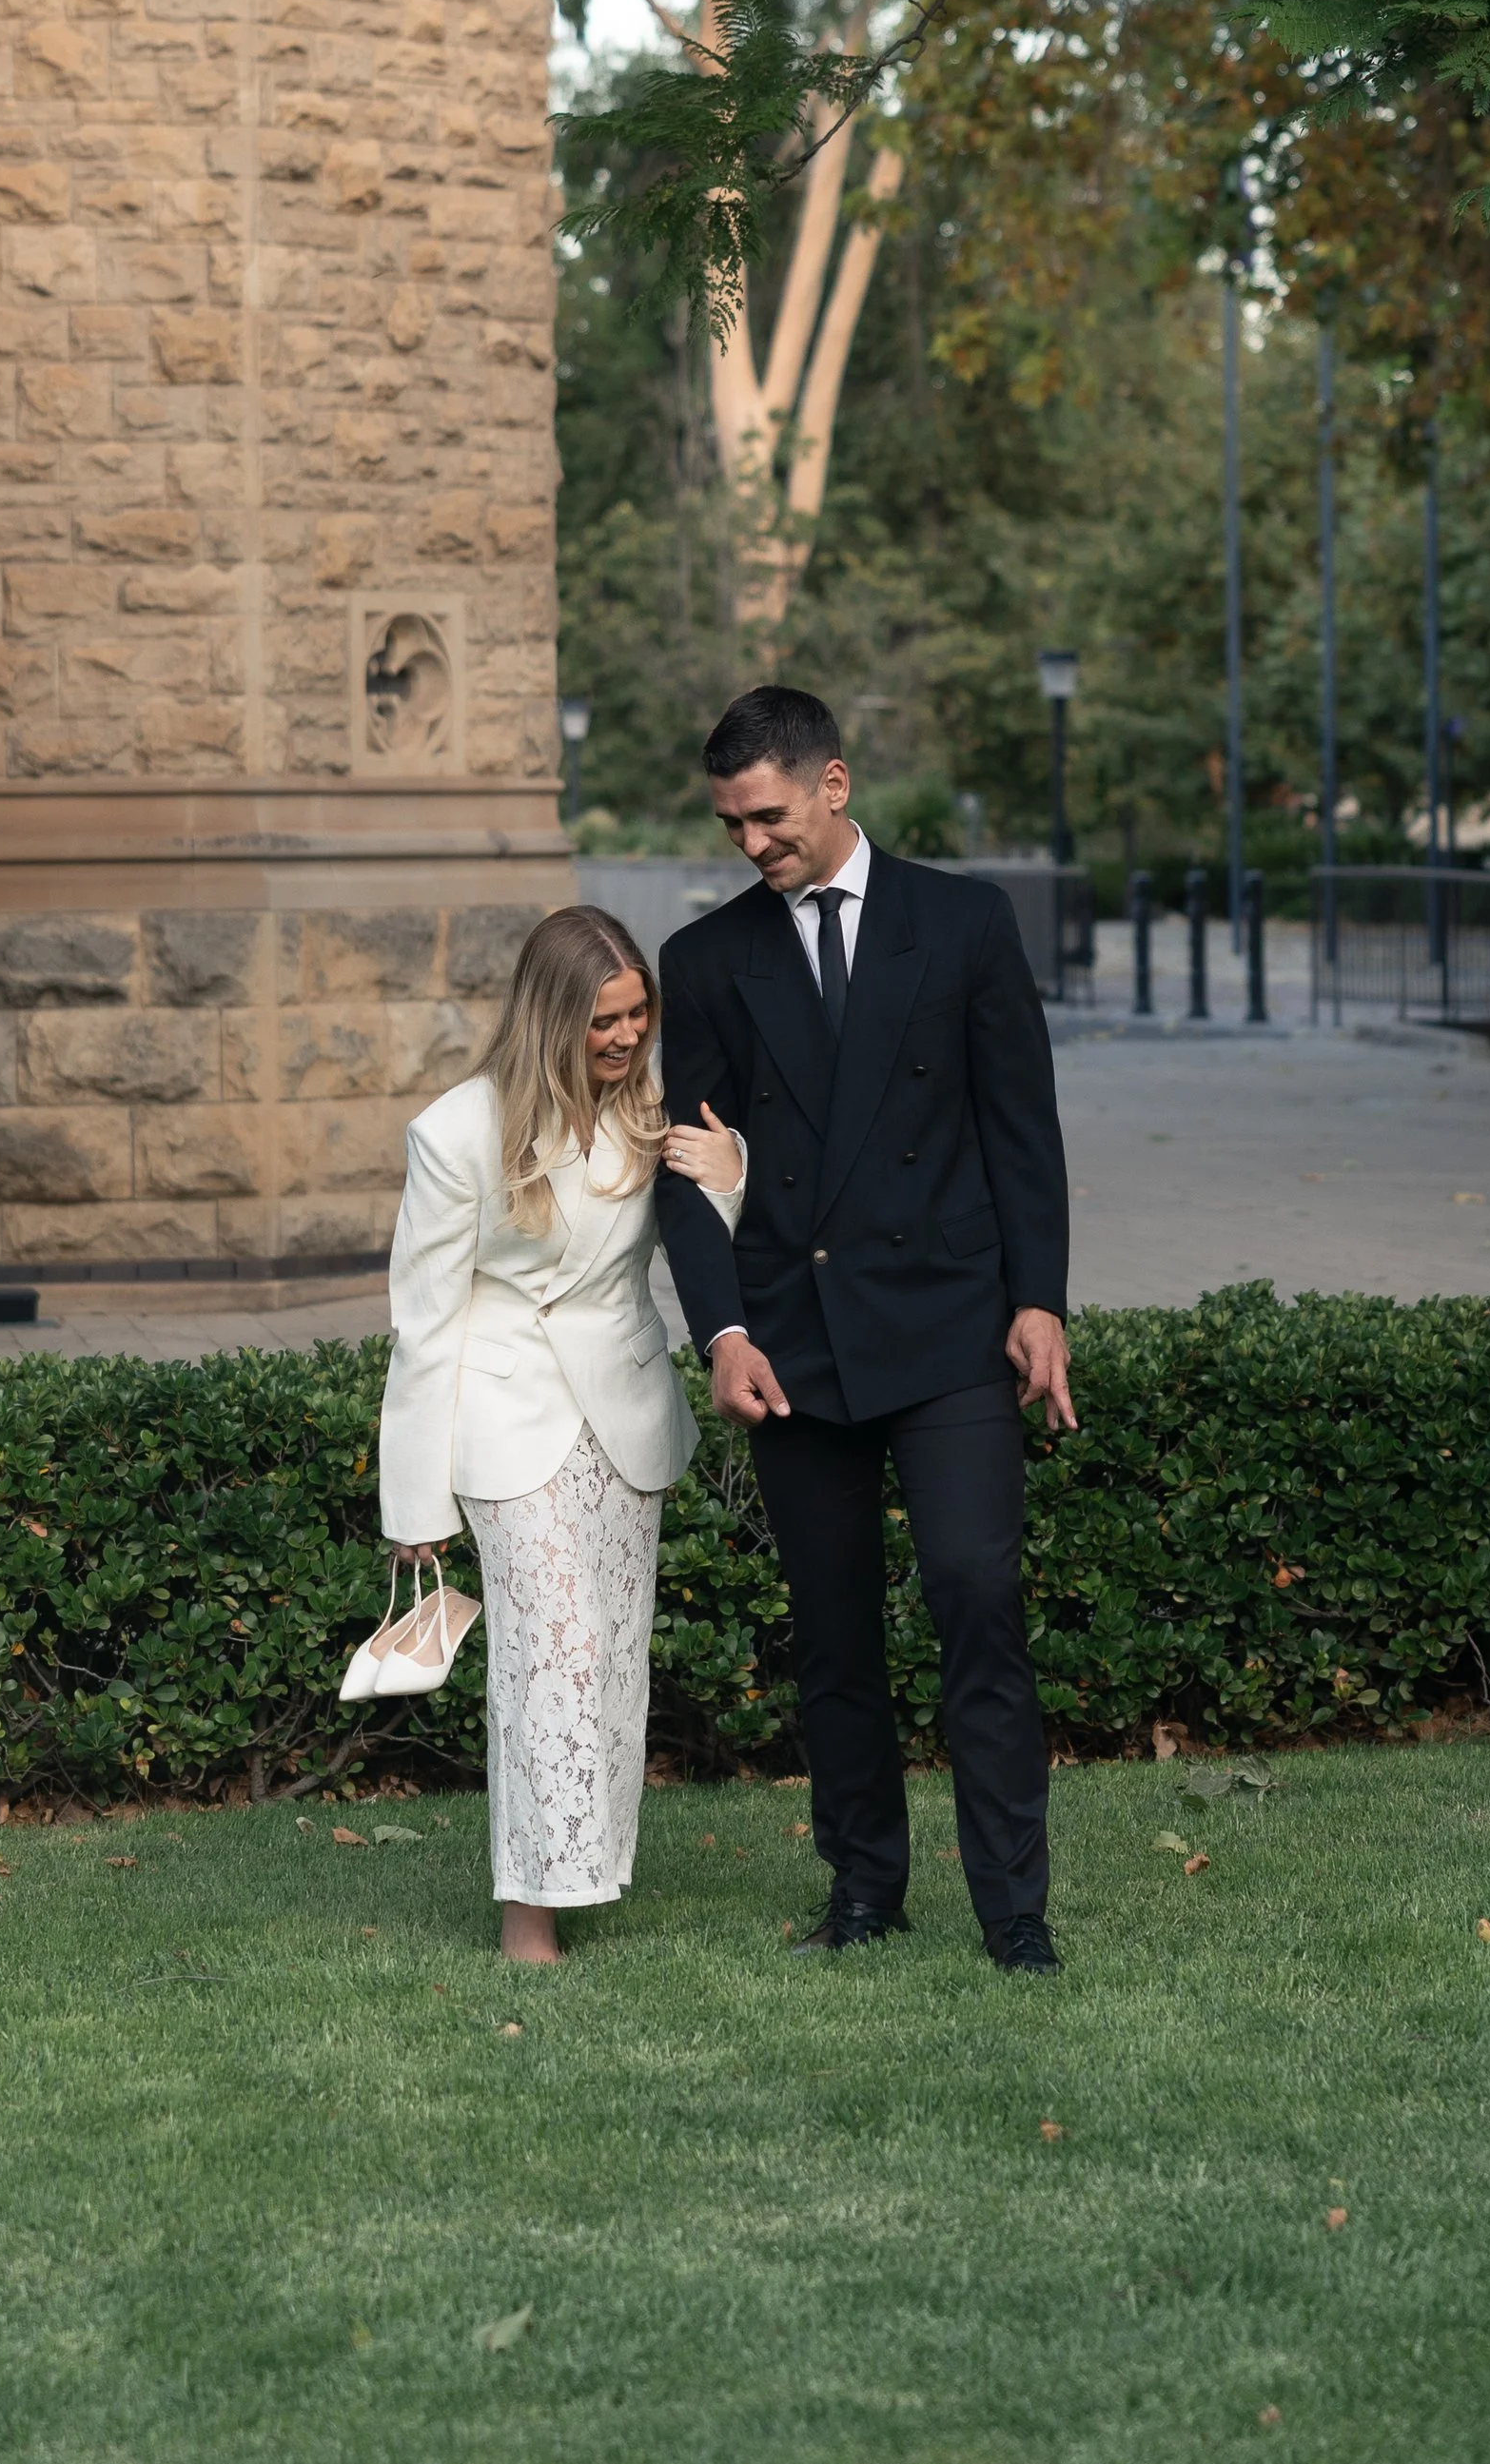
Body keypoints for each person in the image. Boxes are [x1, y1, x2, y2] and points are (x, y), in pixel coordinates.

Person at [655, 686, 1077, 1974]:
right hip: (797, 1342)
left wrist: (1040, 1299)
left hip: (950, 1326)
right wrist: (722, 1332)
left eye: (769, 816)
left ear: (833, 785)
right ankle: (863, 1888)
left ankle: (1015, 1908)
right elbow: (688, 1169)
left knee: (975, 1597)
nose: (750, 845)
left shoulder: (963, 923)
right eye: (730, 824)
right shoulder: (708, 959)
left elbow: (1023, 1129)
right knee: (833, 1633)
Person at [378, 905, 744, 1964]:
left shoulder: (657, 1111)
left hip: (624, 1414)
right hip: (502, 1420)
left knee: (613, 1661)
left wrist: (733, 1179)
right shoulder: (456, 1132)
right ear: (549, 1019)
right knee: (555, 1658)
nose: (627, 1038)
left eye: (638, 1015)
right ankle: (527, 1919)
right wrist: (414, 1506)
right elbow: (423, 1323)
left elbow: (702, 1244)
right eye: (602, 1022)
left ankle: (592, 1870)